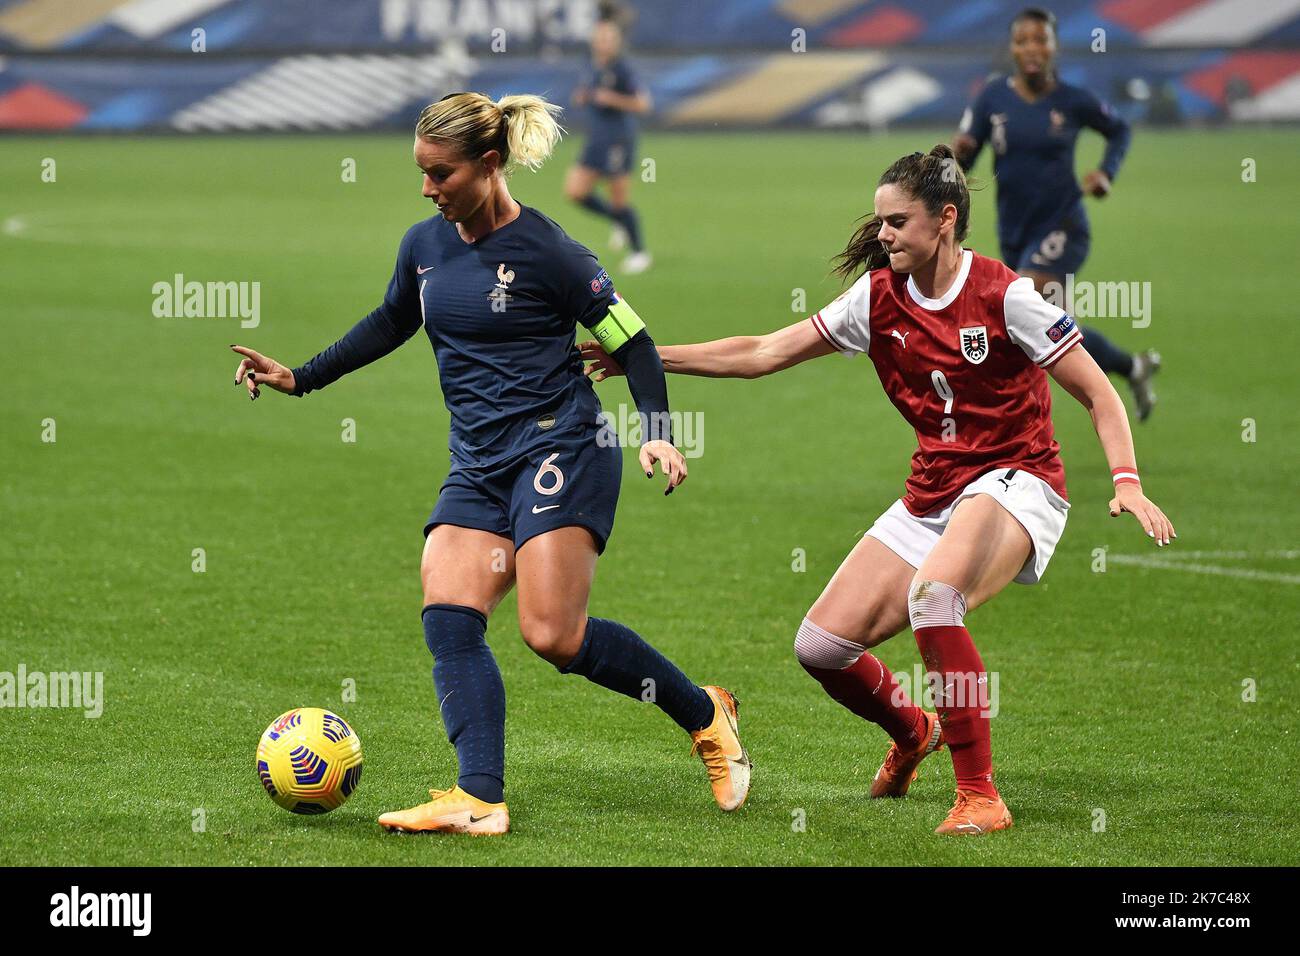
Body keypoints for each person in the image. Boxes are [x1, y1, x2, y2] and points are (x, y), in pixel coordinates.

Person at [582, 145, 1174, 835]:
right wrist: (644, 358)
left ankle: (980, 794)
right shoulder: (877, 298)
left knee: (934, 598)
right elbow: (763, 353)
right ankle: (911, 729)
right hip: (936, 488)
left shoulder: (1008, 297)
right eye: (881, 220)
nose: (883, 234)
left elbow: (1100, 395)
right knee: (822, 648)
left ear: (944, 220)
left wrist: (1127, 483)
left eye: (897, 222)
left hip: (1018, 482)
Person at [230, 92, 749, 835]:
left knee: (553, 635)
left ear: (491, 164)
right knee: (449, 613)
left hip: (561, 448)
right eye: (421, 172)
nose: (427, 189)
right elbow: (390, 321)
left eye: (441, 174)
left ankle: (706, 715)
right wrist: (301, 376)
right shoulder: (423, 246)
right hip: (476, 461)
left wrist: (657, 430)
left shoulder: (552, 252)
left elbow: (632, 343)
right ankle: (480, 798)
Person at [952, 6, 1162, 421]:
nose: (1032, 48)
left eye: (1040, 39)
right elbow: (967, 157)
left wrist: (1106, 173)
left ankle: (1007, 421)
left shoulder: (1072, 100)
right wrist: (956, 158)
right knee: (1052, 326)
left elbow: (1119, 129)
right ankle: (1130, 368)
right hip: (1016, 231)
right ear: (1012, 48)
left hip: (1063, 225)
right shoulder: (992, 98)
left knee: (1030, 302)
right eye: (1022, 40)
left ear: (1053, 46)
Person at [564, 13, 653, 274]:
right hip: (596, 139)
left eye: (609, 38)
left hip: (618, 140)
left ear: (617, 41)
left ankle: (640, 253)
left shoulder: (622, 69)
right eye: (600, 37)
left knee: (619, 200)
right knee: (575, 191)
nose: (604, 42)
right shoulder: (591, 66)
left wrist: (611, 98)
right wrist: (583, 97)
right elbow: (587, 94)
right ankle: (618, 222)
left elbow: (643, 104)